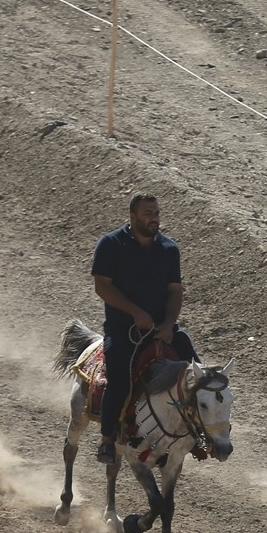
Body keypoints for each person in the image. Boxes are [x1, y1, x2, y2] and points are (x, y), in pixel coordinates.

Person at [91, 193, 198, 463]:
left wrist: (169, 324)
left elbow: (174, 290)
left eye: (157, 213)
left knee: (197, 374)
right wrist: (135, 312)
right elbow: (102, 285)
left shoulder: (169, 249)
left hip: (161, 328)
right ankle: (107, 438)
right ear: (133, 216)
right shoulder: (111, 244)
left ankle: (197, 433)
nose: (154, 218)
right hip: (124, 329)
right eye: (148, 213)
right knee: (119, 376)